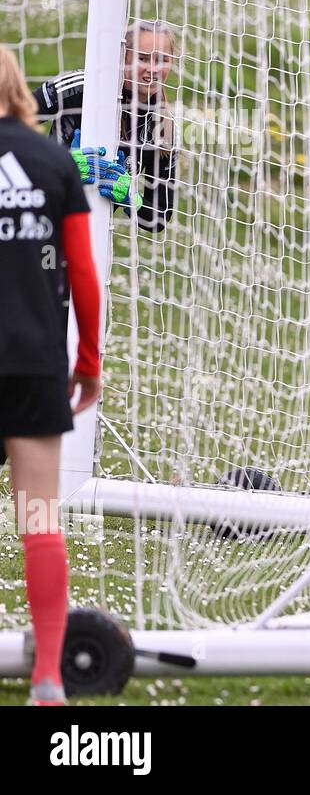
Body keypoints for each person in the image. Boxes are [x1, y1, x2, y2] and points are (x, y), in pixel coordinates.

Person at [0, 46, 103, 705]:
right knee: (39, 518)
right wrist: (88, 360)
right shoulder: (51, 160)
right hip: (35, 367)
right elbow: (84, 273)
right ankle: (48, 682)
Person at [35, 19, 178, 232]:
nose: (153, 69)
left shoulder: (162, 126)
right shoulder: (81, 88)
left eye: (162, 60)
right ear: (124, 57)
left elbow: (159, 217)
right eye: (143, 58)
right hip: (34, 216)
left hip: (90, 237)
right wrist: (61, 165)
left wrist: (131, 198)